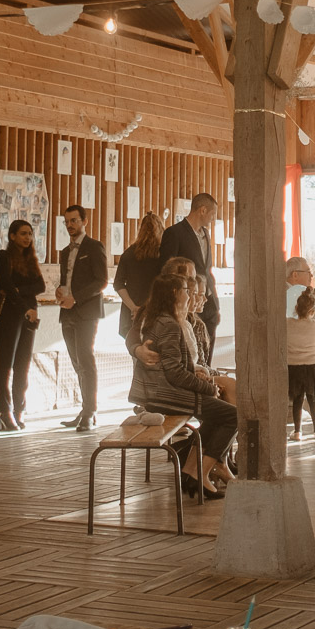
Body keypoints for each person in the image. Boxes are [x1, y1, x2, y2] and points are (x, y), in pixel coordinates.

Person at [134, 271, 237, 499]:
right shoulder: (168, 324)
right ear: (174, 293)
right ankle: (203, 471)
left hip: (163, 392)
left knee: (217, 413)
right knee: (233, 416)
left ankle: (193, 469)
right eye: (187, 291)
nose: (190, 296)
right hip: (166, 396)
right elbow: (175, 374)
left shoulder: (158, 318)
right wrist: (208, 387)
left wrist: (200, 376)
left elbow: (177, 368)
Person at [54, 205, 108, 431]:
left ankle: (90, 411)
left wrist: (76, 298)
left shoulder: (94, 247)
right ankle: (85, 408)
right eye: (67, 221)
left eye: (74, 221)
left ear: (85, 221)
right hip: (67, 311)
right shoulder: (65, 251)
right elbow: (66, 278)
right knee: (76, 362)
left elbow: (102, 281)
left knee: (86, 360)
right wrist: (60, 290)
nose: (70, 225)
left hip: (86, 311)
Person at [0, 219, 44, 432]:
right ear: (12, 236)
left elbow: (40, 285)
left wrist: (17, 291)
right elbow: (5, 285)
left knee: (23, 365)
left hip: (29, 316)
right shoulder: (4, 257)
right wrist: (23, 300)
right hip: (11, 315)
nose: (27, 238)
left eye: (30, 234)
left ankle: (19, 410)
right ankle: (5, 412)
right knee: (5, 364)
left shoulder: (31, 258)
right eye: (23, 233)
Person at [160, 195, 219, 362]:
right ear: (202, 210)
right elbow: (166, 269)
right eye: (213, 214)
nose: (213, 218)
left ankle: (206, 373)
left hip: (207, 298)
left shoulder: (206, 234)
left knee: (207, 341)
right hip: (186, 300)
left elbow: (206, 267)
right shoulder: (174, 233)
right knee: (190, 345)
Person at [114, 211, 165, 349]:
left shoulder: (129, 253)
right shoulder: (163, 255)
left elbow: (118, 284)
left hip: (132, 314)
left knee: (136, 352)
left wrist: (134, 308)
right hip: (156, 313)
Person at [286, 288, 315, 443]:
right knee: (313, 399)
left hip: (294, 367)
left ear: (297, 308)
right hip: (312, 367)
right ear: (313, 310)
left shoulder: (288, 324)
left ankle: (297, 431)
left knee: (297, 399)